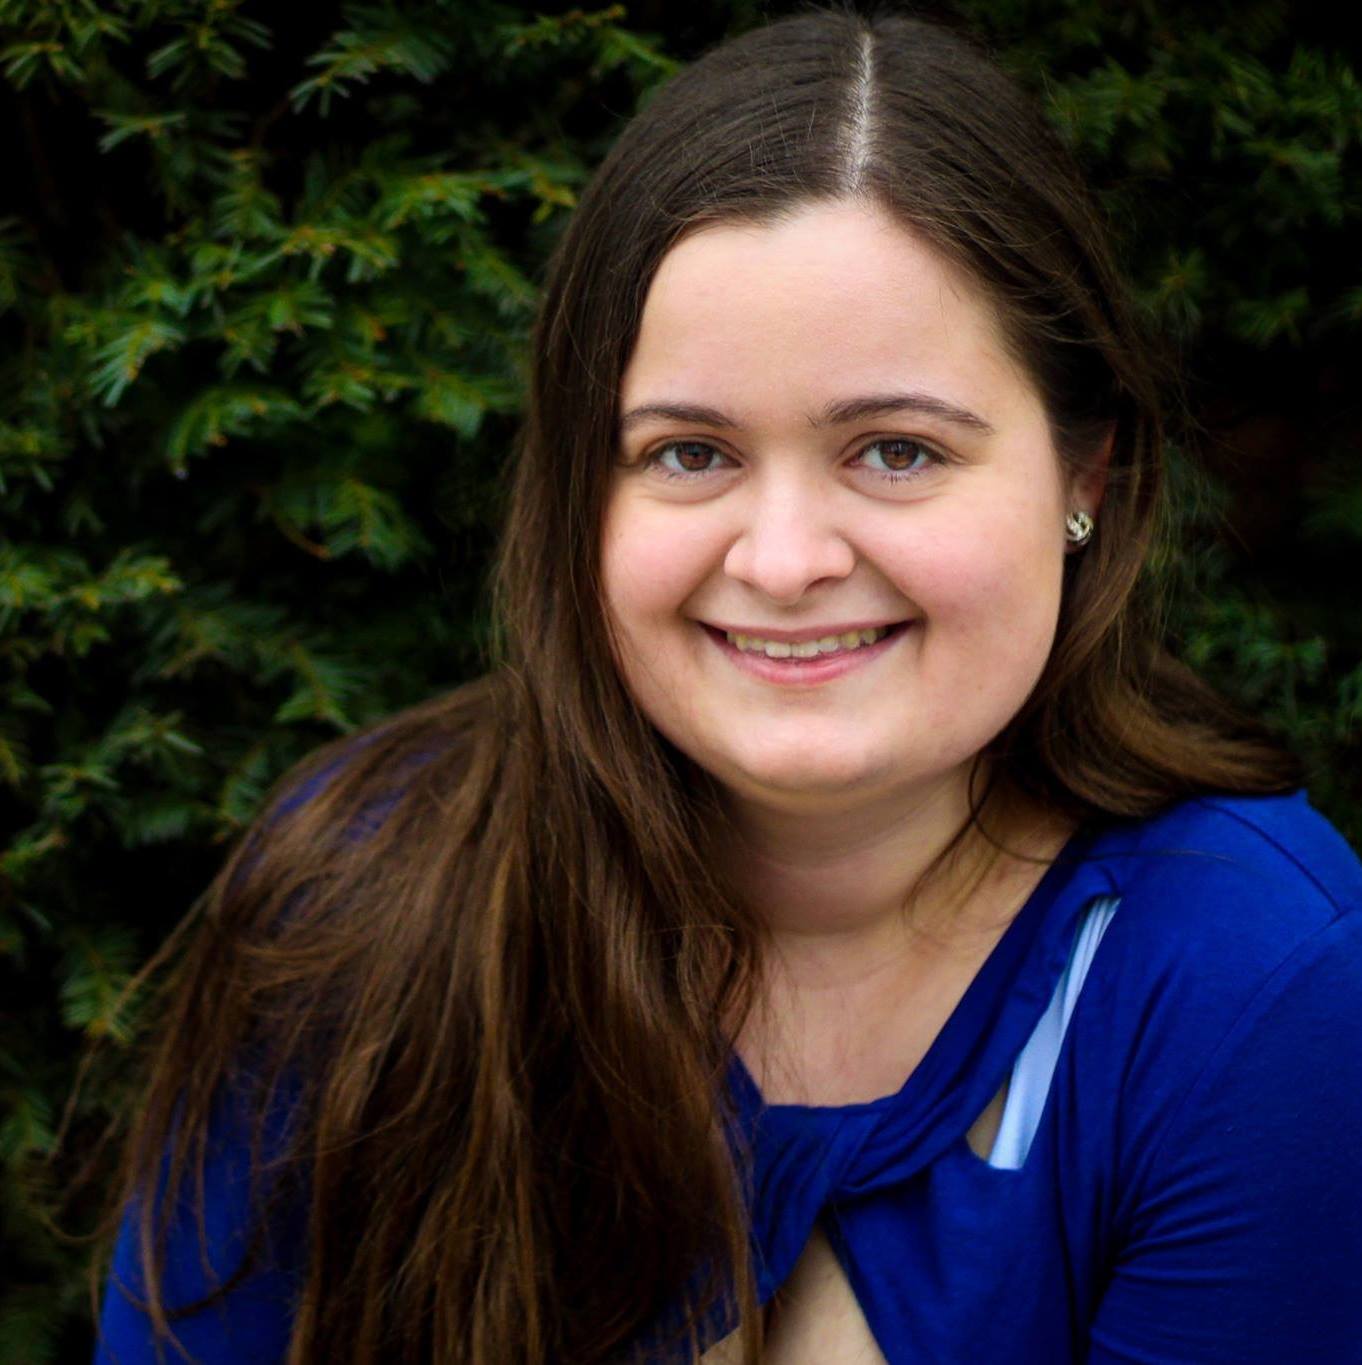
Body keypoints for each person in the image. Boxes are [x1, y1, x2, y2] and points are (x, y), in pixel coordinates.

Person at [91, 8, 1362, 1364]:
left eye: (896, 450)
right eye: (688, 454)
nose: (784, 560)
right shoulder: (364, 887)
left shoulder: (1254, 982)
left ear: (1082, 475)